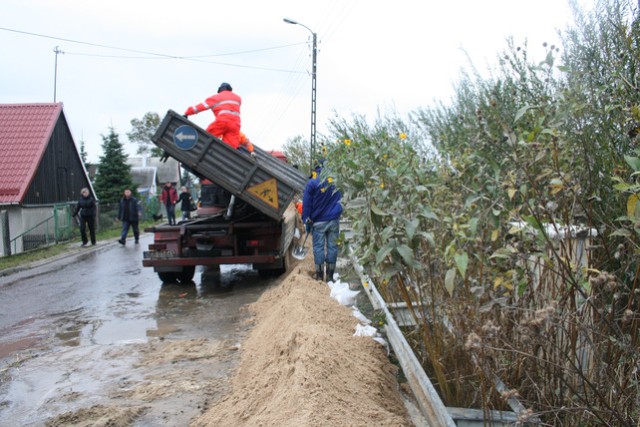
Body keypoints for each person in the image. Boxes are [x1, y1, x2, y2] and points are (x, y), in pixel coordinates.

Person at [184, 82, 251, 156]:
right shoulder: (238, 98)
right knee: (230, 149)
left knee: (206, 137)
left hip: (222, 122)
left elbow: (200, 107)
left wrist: (187, 113)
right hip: (235, 125)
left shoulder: (216, 97)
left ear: (220, 90)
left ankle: (196, 153)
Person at [302, 163, 343, 282]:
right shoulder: (335, 181)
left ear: (317, 170)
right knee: (332, 247)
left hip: (319, 222)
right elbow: (341, 199)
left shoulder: (313, 183)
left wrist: (306, 219)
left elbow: (307, 204)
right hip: (334, 220)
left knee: (319, 248)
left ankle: (319, 276)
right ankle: (330, 277)